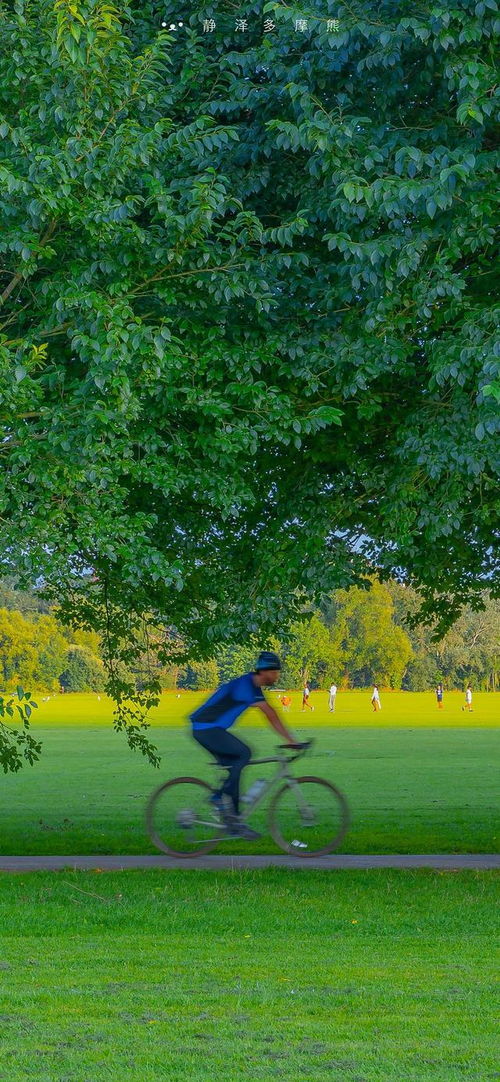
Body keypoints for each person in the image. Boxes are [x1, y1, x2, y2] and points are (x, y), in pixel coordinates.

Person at [189, 651, 302, 840]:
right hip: (206, 728)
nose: (277, 676)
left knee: (236, 768)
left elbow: (269, 712)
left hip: (211, 729)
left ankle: (233, 822)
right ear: (264, 671)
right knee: (244, 753)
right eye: (275, 672)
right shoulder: (245, 685)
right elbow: (270, 713)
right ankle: (220, 800)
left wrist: (290, 739)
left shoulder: (254, 687)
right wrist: (291, 740)